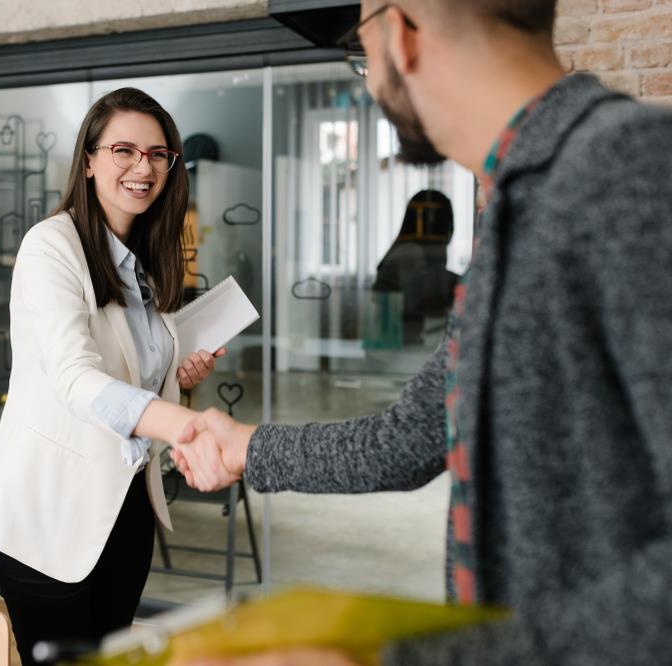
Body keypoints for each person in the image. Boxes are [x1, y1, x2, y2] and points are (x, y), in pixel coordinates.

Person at [171, 0, 672, 664]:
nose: (369, 77)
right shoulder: (518, 210)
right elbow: (410, 439)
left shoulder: (630, 171)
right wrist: (248, 446)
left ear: (399, 34)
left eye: (361, 48)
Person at [0, 87, 225, 665]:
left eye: (158, 154)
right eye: (124, 150)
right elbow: (75, 376)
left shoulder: (146, 258)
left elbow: (133, 371)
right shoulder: (51, 247)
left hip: (126, 505)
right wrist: (186, 423)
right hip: (49, 514)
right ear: (88, 161)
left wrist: (178, 375)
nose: (143, 167)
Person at [372, 189, 458, 345]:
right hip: (395, 349)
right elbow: (421, 297)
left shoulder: (410, 250)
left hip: (402, 344)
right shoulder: (410, 252)